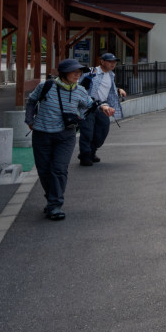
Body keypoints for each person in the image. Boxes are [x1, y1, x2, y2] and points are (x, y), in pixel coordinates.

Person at [25, 59, 114, 220]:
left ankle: (55, 205)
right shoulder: (46, 87)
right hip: (41, 134)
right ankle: (52, 198)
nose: (78, 74)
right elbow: (31, 101)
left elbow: (90, 104)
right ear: (63, 73)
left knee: (59, 169)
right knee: (44, 170)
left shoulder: (80, 90)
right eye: (74, 71)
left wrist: (103, 107)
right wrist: (29, 120)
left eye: (79, 72)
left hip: (65, 136)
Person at [78, 52, 126, 166]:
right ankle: (85, 155)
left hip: (103, 107)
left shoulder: (111, 75)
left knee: (102, 131)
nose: (112, 64)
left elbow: (110, 88)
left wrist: (119, 89)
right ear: (102, 61)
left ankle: (92, 151)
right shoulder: (91, 72)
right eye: (110, 61)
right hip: (88, 106)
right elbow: (79, 87)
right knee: (87, 132)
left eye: (114, 62)